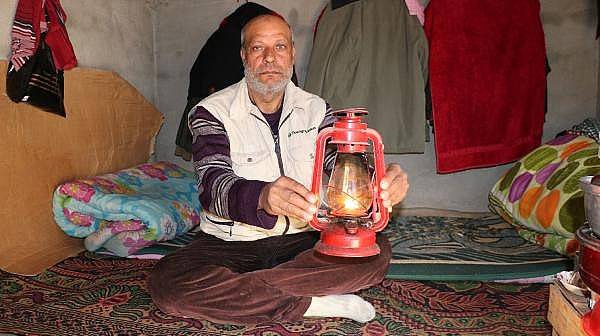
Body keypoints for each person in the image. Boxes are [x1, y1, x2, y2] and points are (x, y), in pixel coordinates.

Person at [148, 14, 409, 325]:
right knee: (168, 284)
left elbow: (341, 167)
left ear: (292, 54)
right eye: (258, 48)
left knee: (374, 250)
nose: (270, 58)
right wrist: (263, 196)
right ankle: (311, 301)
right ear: (244, 56)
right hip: (231, 243)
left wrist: (380, 179)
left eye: (280, 46)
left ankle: (250, 293)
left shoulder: (317, 110)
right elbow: (213, 187)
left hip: (306, 237)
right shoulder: (211, 112)